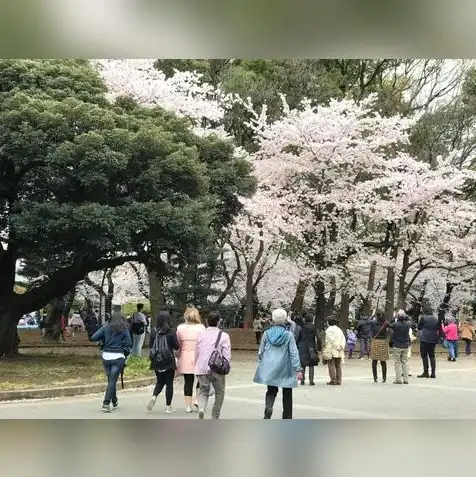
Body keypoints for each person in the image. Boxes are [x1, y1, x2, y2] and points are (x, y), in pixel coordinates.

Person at [254, 308, 302, 419]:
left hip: (271, 366)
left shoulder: (266, 333)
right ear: (285, 320)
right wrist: (298, 369)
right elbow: (294, 352)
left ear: (272, 320)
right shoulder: (289, 335)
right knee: (287, 392)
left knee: (271, 390)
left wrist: (263, 363)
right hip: (285, 367)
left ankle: (269, 406)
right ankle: (287, 417)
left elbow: (261, 351)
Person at [90, 314, 132, 413]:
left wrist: (103, 340)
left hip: (106, 356)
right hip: (118, 357)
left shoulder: (105, 328)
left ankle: (114, 400)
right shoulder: (124, 329)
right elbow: (128, 344)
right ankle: (106, 403)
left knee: (111, 380)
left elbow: (93, 337)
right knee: (112, 381)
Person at [195, 311, 231, 419]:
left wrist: (196, 365)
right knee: (220, 392)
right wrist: (226, 366)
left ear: (207, 321)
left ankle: (201, 408)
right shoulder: (224, 335)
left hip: (202, 368)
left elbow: (196, 352)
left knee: (203, 391)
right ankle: (215, 416)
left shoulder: (200, 334)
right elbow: (227, 354)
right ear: (219, 322)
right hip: (216, 369)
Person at [147, 311, 180, 413]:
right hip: (168, 360)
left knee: (160, 382)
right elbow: (176, 346)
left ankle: (154, 397)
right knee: (169, 383)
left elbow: (150, 346)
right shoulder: (171, 331)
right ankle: (168, 406)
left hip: (156, 360)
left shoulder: (154, 331)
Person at [176, 307, 205, 413]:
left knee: (188, 381)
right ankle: (197, 399)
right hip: (198, 356)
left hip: (185, 356)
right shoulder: (201, 328)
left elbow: (177, 344)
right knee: (201, 379)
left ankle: (188, 406)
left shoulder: (180, 328)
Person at [295, 313, 321, 386]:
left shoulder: (302, 328)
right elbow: (318, 338)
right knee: (311, 364)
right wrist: (319, 346)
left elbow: (298, 338)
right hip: (311, 347)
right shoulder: (314, 328)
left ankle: (302, 381)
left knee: (303, 365)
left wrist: (297, 345)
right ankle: (311, 381)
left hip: (303, 347)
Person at [388, 310, 411, 384]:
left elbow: (390, 324)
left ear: (397, 317)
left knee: (397, 362)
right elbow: (409, 319)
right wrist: (405, 315)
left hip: (397, 345)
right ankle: (406, 379)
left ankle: (398, 379)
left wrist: (394, 317)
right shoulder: (408, 324)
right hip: (405, 345)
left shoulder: (395, 325)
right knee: (405, 362)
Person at [322, 318, 346, 385]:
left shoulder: (329, 330)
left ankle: (333, 380)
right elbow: (343, 339)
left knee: (331, 365)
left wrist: (336, 346)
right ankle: (339, 380)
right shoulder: (339, 330)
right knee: (338, 365)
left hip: (332, 349)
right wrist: (341, 346)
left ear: (328, 322)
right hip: (339, 350)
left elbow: (331, 340)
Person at [417, 305, 439, 378]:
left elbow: (419, 327)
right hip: (433, 338)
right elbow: (437, 328)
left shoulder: (423, 318)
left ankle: (426, 371)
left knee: (424, 355)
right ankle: (433, 373)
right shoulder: (436, 319)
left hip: (424, 338)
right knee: (432, 355)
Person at [369, 310, 389, 383]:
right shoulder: (386, 323)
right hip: (383, 342)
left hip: (376, 342)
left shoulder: (373, 323)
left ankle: (375, 378)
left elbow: (369, 321)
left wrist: (372, 315)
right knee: (383, 361)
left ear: (376, 316)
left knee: (374, 360)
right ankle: (384, 378)